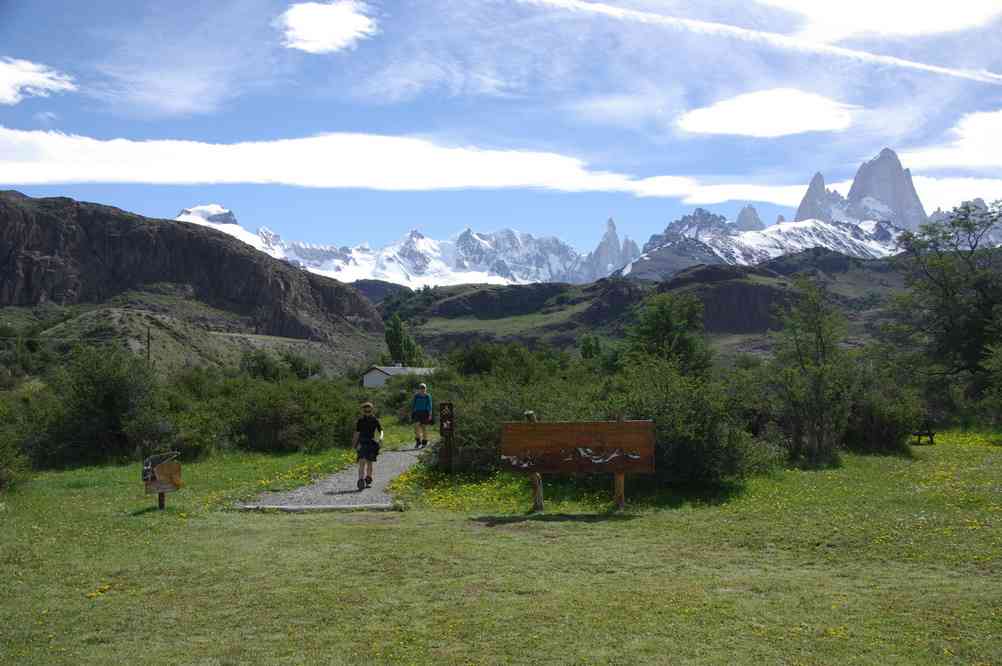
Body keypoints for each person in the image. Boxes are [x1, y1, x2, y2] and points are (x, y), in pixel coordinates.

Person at [352, 402, 383, 491]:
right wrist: (354, 444)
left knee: (369, 462)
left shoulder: (375, 420)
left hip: (371, 443)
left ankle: (368, 478)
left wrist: (381, 438)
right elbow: (357, 433)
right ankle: (360, 480)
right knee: (362, 462)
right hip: (362, 442)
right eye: (365, 411)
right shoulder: (360, 420)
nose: (367, 413)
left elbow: (381, 430)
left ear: (372, 410)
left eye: (369, 411)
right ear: (363, 411)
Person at [411, 382, 433, 449]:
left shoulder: (427, 396)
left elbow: (429, 406)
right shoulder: (416, 396)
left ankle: (424, 442)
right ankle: (418, 441)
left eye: (423, 388)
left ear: (425, 389)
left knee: (424, 428)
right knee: (416, 427)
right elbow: (413, 404)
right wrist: (413, 412)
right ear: (419, 389)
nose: (422, 389)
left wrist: (430, 414)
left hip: (425, 413)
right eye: (421, 388)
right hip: (417, 413)